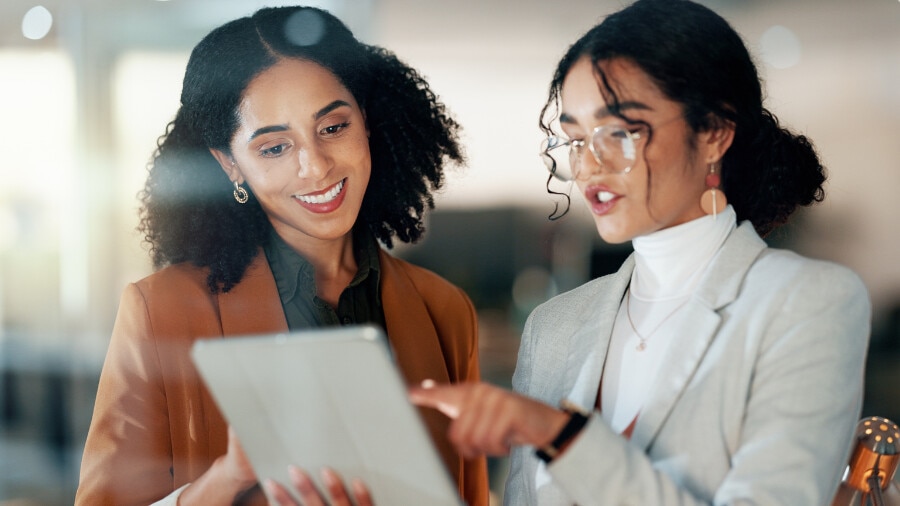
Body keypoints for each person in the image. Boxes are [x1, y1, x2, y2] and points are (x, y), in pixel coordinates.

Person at [410, 0, 871, 504]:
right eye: (576, 139)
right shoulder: (554, 326)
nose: (589, 167)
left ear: (715, 131)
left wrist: (559, 435)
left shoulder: (806, 302)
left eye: (620, 132)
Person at [74, 5, 488, 505]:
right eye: (274, 148)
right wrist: (225, 479)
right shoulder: (160, 311)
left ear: (367, 123)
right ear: (230, 166)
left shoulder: (444, 310)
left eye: (333, 127)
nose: (314, 167)